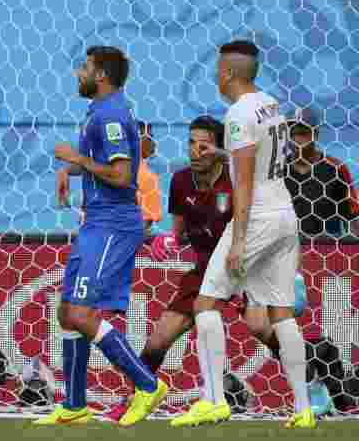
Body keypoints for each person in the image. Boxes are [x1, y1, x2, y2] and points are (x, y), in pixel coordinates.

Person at [106, 115, 290, 422]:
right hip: (206, 270)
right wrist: (168, 242)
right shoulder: (179, 181)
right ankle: (135, 399)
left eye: (204, 145)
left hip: (246, 266)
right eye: (191, 143)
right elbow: (178, 233)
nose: (195, 151)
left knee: (261, 328)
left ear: (220, 149)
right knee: (157, 340)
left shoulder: (237, 178)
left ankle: (313, 378)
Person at [172, 40, 314, 429]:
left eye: (219, 69)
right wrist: (222, 156)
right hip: (286, 213)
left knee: (205, 304)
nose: (216, 76)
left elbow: (246, 181)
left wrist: (237, 240)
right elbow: (264, 158)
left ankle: (214, 400)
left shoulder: (236, 113)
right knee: (282, 313)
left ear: (230, 73)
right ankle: (303, 410)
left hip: (258, 217)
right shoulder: (271, 105)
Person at [43, 45, 167, 427]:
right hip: (95, 222)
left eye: (84, 67)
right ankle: (75, 405)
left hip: (113, 223)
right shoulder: (98, 112)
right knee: (68, 312)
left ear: (100, 76)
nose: (77, 73)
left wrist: (75, 159)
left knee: (81, 313)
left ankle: (148, 385)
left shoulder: (111, 115)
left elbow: (121, 176)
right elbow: (102, 167)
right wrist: (70, 171)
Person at [285, 111, 359, 237]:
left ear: (316, 134)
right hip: (286, 248)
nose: (296, 139)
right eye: (291, 133)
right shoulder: (278, 170)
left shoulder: (336, 168)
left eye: (302, 133)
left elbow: (353, 216)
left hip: (326, 247)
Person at [136, 120, 161, 233]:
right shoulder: (148, 178)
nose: (154, 143)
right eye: (150, 138)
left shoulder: (103, 170)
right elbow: (145, 224)